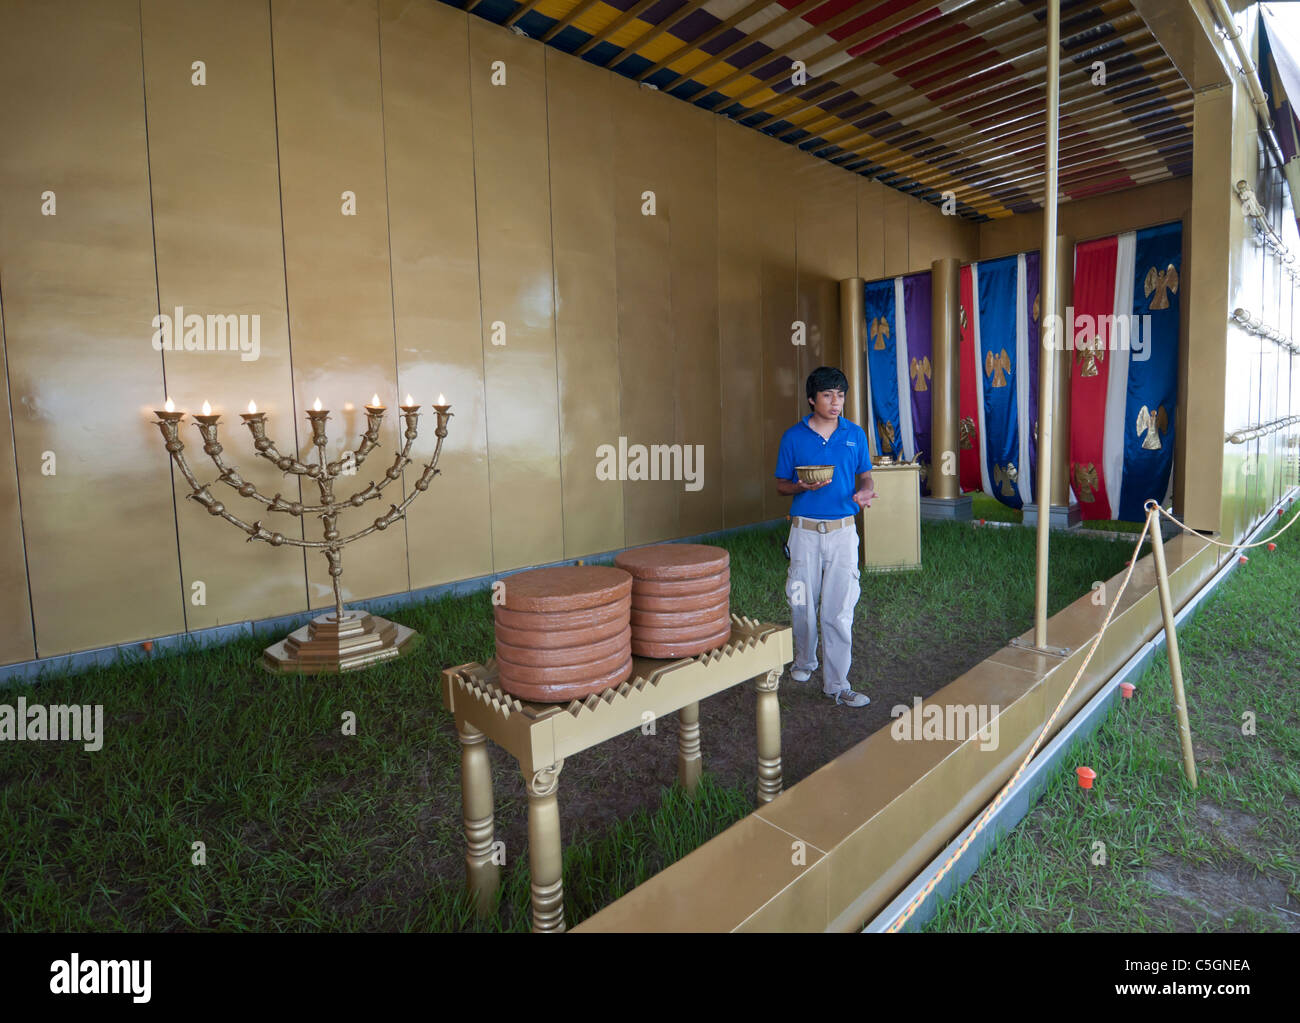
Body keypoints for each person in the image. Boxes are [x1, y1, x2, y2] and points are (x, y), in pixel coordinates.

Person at [774, 367, 876, 707]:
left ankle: (837, 684)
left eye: (841, 395)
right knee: (801, 603)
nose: (836, 402)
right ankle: (805, 660)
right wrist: (800, 486)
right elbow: (780, 485)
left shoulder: (855, 434)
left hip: (843, 533)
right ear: (811, 399)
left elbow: (866, 477)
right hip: (804, 532)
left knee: (838, 611)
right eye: (828, 395)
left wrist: (865, 493)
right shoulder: (793, 437)